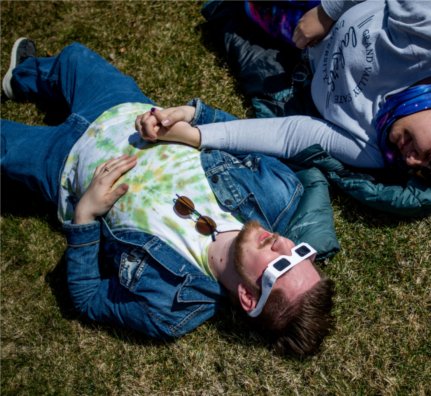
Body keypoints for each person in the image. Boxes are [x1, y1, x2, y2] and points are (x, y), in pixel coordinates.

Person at [0, 38, 335, 357]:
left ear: (248, 297)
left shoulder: (170, 307)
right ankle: (21, 78)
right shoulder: (277, 191)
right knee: (73, 58)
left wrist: (85, 215)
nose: (283, 244)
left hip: (63, 164)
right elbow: (244, 136)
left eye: (280, 265)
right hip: (121, 109)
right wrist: (192, 120)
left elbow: (88, 299)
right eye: (300, 252)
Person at [156, 0, 431, 220]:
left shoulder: (379, 151)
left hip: (290, 34)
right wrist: (329, 10)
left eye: (427, 174)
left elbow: (294, 134)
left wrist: (198, 134)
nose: (415, 164)